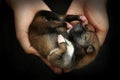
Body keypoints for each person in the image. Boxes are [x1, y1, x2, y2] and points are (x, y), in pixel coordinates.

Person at [5, 0, 109, 74]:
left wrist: (62, 47)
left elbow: (52, 58)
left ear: (88, 49)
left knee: (57, 22)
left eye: (85, 34)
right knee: (60, 21)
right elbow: (62, 21)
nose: (81, 27)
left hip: (41, 32)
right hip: (46, 25)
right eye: (86, 29)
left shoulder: (70, 59)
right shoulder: (78, 48)